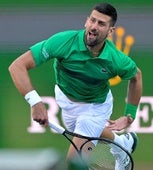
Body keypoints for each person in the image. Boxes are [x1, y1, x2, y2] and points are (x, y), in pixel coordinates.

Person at [9, 2, 142, 169]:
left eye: (101, 24)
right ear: (86, 21)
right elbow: (17, 66)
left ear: (110, 31)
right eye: (92, 20)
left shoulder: (115, 59)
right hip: (66, 101)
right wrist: (35, 102)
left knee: (74, 163)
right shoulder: (63, 41)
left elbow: (136, 76)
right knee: (87, 134)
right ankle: (123, 142)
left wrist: (129, 115)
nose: (94, 27)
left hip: (95, 108)